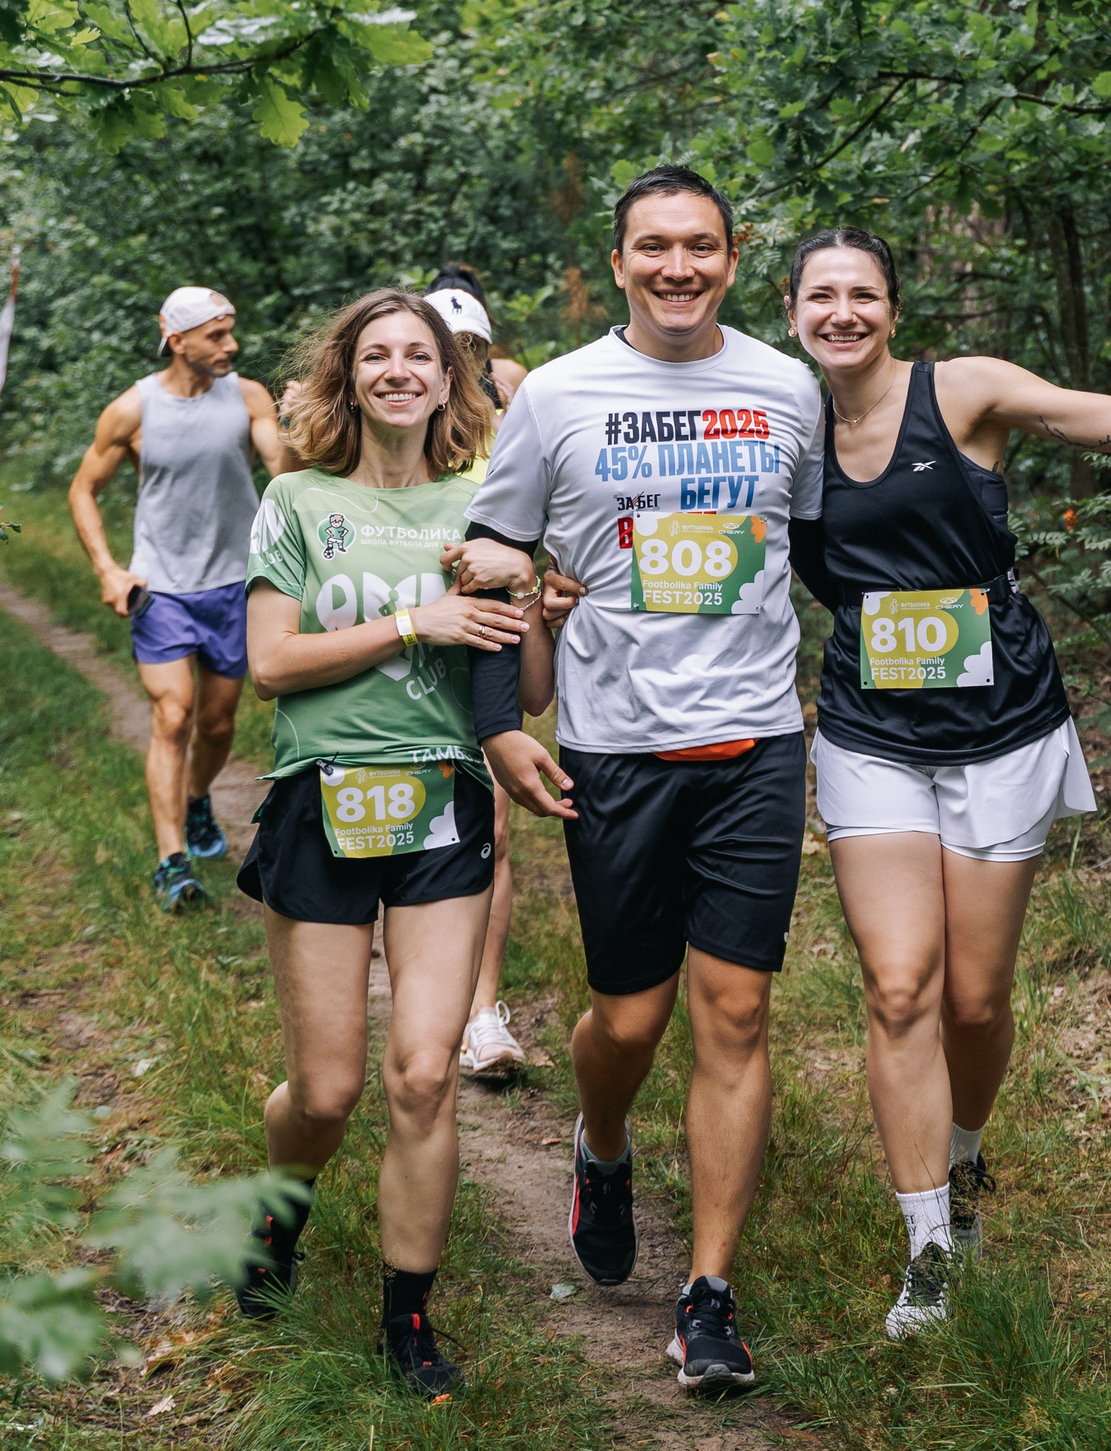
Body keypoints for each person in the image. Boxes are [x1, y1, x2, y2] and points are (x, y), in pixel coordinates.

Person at [784, 224, 1111, 1339]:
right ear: (792, 314)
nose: (841, 314)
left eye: (862, 294)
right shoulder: (785, 424)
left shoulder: (961, 392)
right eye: (820, 296)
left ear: (893, 309)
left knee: (973, 1000)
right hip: (869, 731)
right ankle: (926, 1247)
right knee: (899, 989)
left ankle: (965, 1160)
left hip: (1000, 725)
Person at [447, 165, 826, 1394]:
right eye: (653, 247)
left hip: (756, 744)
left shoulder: (786, 387)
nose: (678, 267)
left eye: (700, 246)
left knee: (736, 1015)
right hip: (615, 749)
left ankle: (707, 1296)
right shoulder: (556, 396)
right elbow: (492, 560)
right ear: (616, 264)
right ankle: (600, 1140)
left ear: (732, 259)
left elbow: (819, 546)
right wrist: (498, 726)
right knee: (629, 1019)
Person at [229, 288, 532, 1400]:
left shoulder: (486, 504)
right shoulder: (298, 499)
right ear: (347, 378)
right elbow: (271, 663)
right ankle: (280, 1214)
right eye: (376, 355)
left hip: (444, 803)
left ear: (452, 378)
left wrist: (530, 595)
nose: (399, 370)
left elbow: (527, 684)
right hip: (321, 800)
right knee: (326, 1092)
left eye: (420, 355)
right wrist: (413, 620)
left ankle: (407, 1320)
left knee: (422, 1075)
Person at [69, 286, 295, 911]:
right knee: (174, 716)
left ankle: (198, 799)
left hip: (235, 584)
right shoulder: (132, 411)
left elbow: (285, 472)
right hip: (161, 587)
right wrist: (108, 569)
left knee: (218, 723)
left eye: (231, 331)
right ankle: (171, 862)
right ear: (177, 340)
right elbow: (83, 490)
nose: (232, 345)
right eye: (217, 335)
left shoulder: (248, 397)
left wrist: (300, 430)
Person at [423, 268, 537, 1084]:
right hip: (410, 639)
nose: (463, 361)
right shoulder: (395, 412)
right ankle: (420, 992)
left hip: (489, 634)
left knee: (491, 828)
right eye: (448, 347)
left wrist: (539, 577)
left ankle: (482, 1012)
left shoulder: (514, 397)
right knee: (416, 825)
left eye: (475, 347)